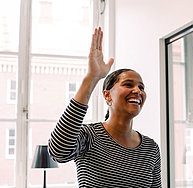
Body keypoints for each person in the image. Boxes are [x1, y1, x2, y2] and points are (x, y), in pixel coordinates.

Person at [48, 27, 161, 188]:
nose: (137, 91)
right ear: (107, 95)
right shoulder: (89, 136)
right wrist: (91, 78)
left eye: (141, 87)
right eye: (128, 84)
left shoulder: (150, 148)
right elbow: (58, 152)